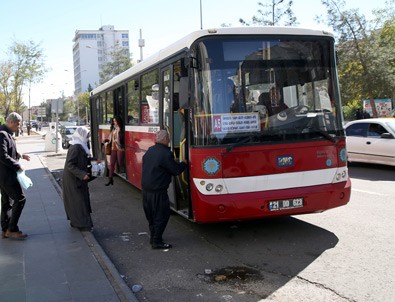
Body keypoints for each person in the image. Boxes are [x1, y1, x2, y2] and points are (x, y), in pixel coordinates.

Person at [141, 130, 188, 249]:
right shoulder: (166, 154)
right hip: (158, 191)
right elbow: (175, 170)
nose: (169, 140)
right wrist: (183, 163)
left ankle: (153, 237)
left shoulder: (150, 151)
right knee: (162, 216)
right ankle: (157, 242)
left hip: (146, 190)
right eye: (168, 138)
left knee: (151, 216)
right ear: (166, 139)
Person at [0, 112, 31, 239]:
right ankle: (12, 229)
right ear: (11, 122)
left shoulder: (6, 133)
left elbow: (9, 150)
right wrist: (17, 165)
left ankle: (5, 229)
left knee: (7, 202)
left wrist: (20, 155)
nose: (19, 127)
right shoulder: (2, 134)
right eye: (18, 125)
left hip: (4, 175)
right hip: (6, 176)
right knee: (20, 199)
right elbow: (2, 155)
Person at [62, 126, 94, 231]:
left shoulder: (81, 145)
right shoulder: (75, 147)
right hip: (73, 180)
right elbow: (70, 165)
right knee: (78, 202)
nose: (88, 138)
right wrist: (81, 174)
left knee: (79, 201)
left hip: (77, 179)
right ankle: (83, 224)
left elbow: (84, 159)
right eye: (86, 135)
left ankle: (78, 222)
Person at [104, 116, 125, 186]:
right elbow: (110, 138)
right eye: (113, 121)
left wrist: (118, 140)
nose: (114, 123)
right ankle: (110, 179)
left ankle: (124, 170)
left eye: (115, 121)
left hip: (119, 148)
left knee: (120, 162)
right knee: (111, 164)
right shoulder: (113, 129)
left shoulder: (121, 129)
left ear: (118, 122)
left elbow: (121, 140)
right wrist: (106, 140)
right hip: (113, 148)